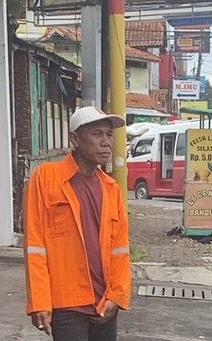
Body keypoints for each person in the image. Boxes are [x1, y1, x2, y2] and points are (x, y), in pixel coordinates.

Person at [23, 106, 131, 341]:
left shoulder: (111, 189)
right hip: (67, 304)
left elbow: (120, 251)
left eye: (109, 135)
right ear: (75, 139)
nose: (106, 142)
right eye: (97, 134)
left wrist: (117, 297)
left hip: (104, 304)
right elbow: (35, 247)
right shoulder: (45, 179)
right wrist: (40, 301)